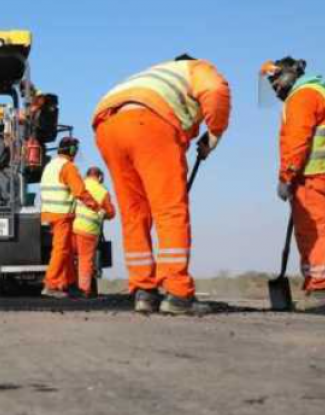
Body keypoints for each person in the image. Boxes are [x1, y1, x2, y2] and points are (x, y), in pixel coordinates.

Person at [92, 54, 231, 314]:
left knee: (135, 215)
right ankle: (178, 294)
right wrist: (213, 135)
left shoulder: (154, 74)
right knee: (170, 210)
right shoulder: (197, 68)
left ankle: (144, 291)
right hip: (149, 122)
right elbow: (215, 90)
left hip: (107, 126)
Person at [260, 57, 325, 310]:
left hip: (313, 174)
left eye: (276, 81)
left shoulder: (302, 96)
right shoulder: (323, 92)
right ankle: (316, 285)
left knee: (314, 230)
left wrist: (286, 176)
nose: (275, 88)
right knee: (312, 228)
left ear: (289, 75)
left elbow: (296, 141)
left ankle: (322, 289)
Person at [40, 137, 101, 299]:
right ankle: (51, 284)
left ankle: (70, 284)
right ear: (72, 151)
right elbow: (80, 191)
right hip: (62, 215)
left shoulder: (51, 165)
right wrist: (95, 206)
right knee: (60, 250)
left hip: (49, 213)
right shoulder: (68, 167)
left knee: (65, 249)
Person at [72, 167, 116, 298]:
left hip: (73, 228)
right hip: (89, 230)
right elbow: (111, 213)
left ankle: (70, 287)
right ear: (100, 177)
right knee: (85, 261)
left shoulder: (80, 185)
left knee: (72, 259)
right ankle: (84, 290)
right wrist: (103, 215)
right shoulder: (102, 191)